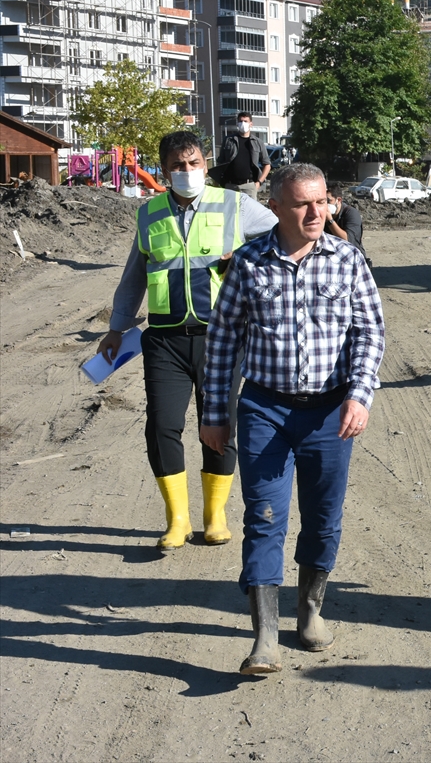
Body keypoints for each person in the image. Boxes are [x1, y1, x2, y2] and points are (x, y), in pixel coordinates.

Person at [200, 163, 385, 675]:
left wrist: (359, 395)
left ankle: (310, 611)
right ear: (276, 207)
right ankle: (264, 637)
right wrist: (215, 414)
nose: (315, 213)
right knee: (264, 518)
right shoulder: (249, 264)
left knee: (323, 520)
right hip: (266, 410)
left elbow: (370, 333)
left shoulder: (348, 260)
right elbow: (222, 344)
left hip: (329, 413)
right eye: (302, 204)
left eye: (322, 201)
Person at [96, 131, 277, 550]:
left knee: (218, 427)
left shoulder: (234, 204)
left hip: (222, 337)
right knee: (161, 426)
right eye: (178, 165)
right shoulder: (149, 213)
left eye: (194, 163)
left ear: (205, 162)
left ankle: (214, 516)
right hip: (165, 339)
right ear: (164, 169)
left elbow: (278, 234)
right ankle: (177, 520)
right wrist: (116, 327)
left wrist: (244, 258)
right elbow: (134, 275)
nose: (187, 171)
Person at [216, 112, 271, 198]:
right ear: (237, 123)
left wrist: (259, 182)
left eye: (245, 121)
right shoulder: (228, 140)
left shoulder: (258, 142)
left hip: (249, 186)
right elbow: (220, 162)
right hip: (231, 186)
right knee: (230, 211)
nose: (243, 124)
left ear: (251, 124)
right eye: (240, 121)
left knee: (250, 211)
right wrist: (221, 182)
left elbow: (267, 164)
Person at [324, 184, 368, 263]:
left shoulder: (351, 213)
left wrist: (329, 220)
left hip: (352, 260)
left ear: (339, 200)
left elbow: (349, 241)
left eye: (328, 201)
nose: (325, 205)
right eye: (322, 201)